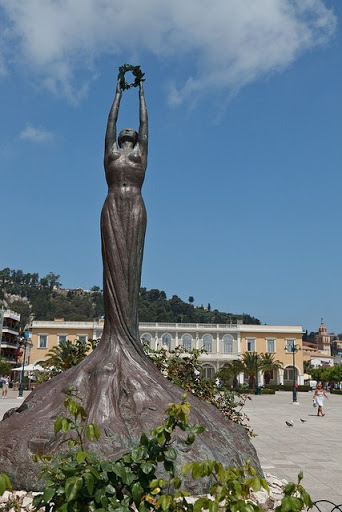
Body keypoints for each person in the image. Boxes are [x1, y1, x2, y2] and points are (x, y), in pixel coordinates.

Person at [101, 76, 148, 352]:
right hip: (112, 206)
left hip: (134, 207)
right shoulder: (110, 152)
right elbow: (109, 123)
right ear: (120, 137)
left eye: (133, 130)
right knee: (113, 268)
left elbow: (145, 124)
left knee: (131, 268)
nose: (129, 129)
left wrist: (141, 95)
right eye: (124, 129)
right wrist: (117, 94)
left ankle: (129, 336)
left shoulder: (141, 153)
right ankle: (113, 338)